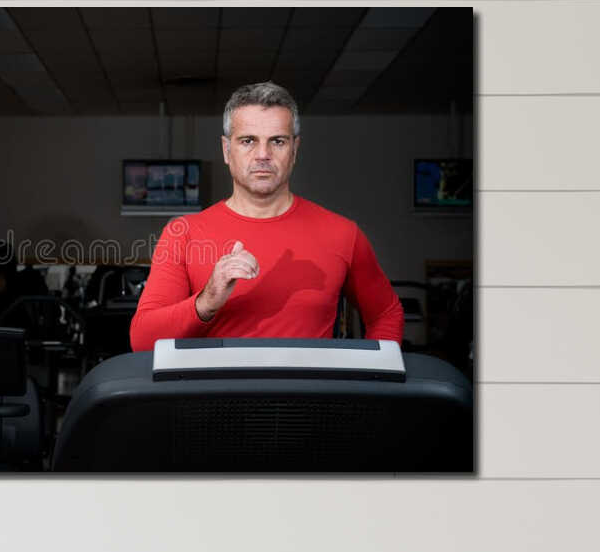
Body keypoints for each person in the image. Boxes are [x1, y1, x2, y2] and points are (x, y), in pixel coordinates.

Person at [129, 83, 404, 351]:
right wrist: (208, 300)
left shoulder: (343, 234)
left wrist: (370, 383)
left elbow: (386, 314)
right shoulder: (183, 233)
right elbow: (143, 340)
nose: (263, 155)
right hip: (214, 396)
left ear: (294, 149)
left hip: (308, 397)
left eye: (278, 141)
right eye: (248, 141)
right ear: (227, 150)